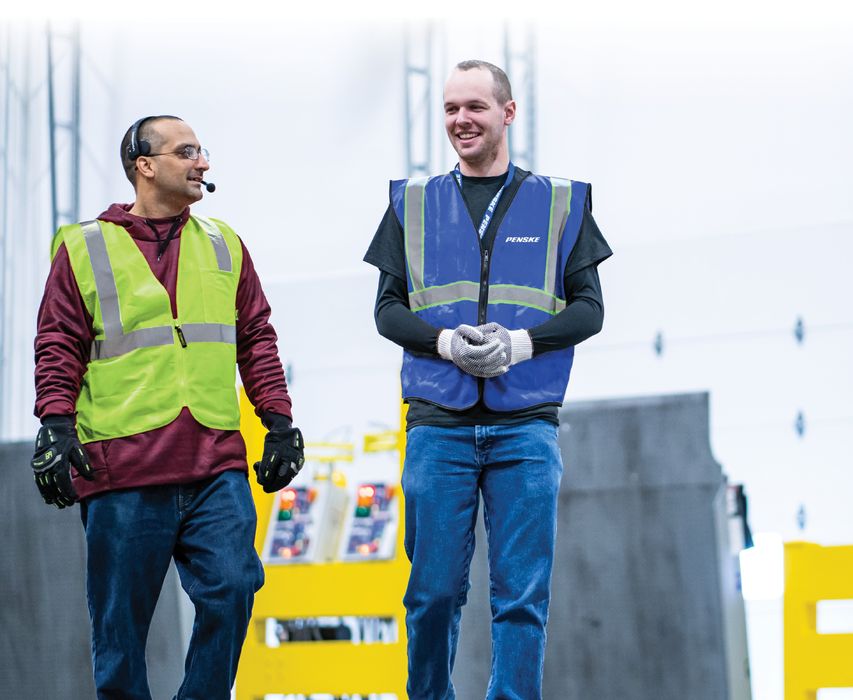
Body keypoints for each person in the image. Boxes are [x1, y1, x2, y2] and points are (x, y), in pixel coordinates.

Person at [31, 114, 305, 700]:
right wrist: (54, 422)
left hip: (214, 464)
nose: (202, 162)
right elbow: (58, 341)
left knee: (233, 590)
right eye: (187, 152)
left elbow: (255, 337)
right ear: (144, 166)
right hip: (123, 467)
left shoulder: (223, 243)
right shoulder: (84, 247)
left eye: (201, 151)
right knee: (120, 631)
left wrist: (278, 421)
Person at [364, 60, 612, 699]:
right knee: (432, 593)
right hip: (438, 428)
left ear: (507, 112)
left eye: (474, 106)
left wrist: (521, 344)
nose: (460, 120)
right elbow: (387, 310)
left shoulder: (561, 202)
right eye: (450, 108)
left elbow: (590, 308)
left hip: (525, 427)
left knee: (522, 595)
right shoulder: (412, 204)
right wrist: (445, 342)